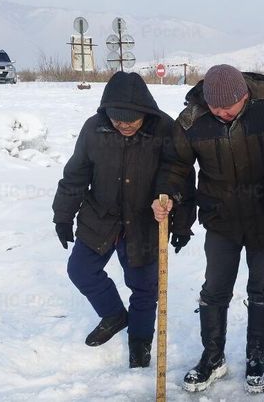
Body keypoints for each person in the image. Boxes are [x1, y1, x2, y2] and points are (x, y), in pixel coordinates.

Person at [152, 64, 264, 394]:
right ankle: (212, 357)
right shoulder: (192, 120)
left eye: (228, 106)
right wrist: (170, 195)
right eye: (215, 107)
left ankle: (256, 355)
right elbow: (176, 166)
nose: (221, 113)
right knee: (215, 287)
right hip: (220, 215)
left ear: (245, 95)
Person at [51, 71, 194, 368]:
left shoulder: (165, 129)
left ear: (146, 112)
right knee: (80, 270)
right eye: (118, 120)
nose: (125, 125)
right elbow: (76, 174)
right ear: (107, 114)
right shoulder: (94, 129)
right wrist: (63, 216)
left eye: (131, 120)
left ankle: (140, 341)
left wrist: (181, 223)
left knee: (144, 288)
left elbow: (180, 175)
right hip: (100, 217)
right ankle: (114, 315)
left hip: (145, 222)